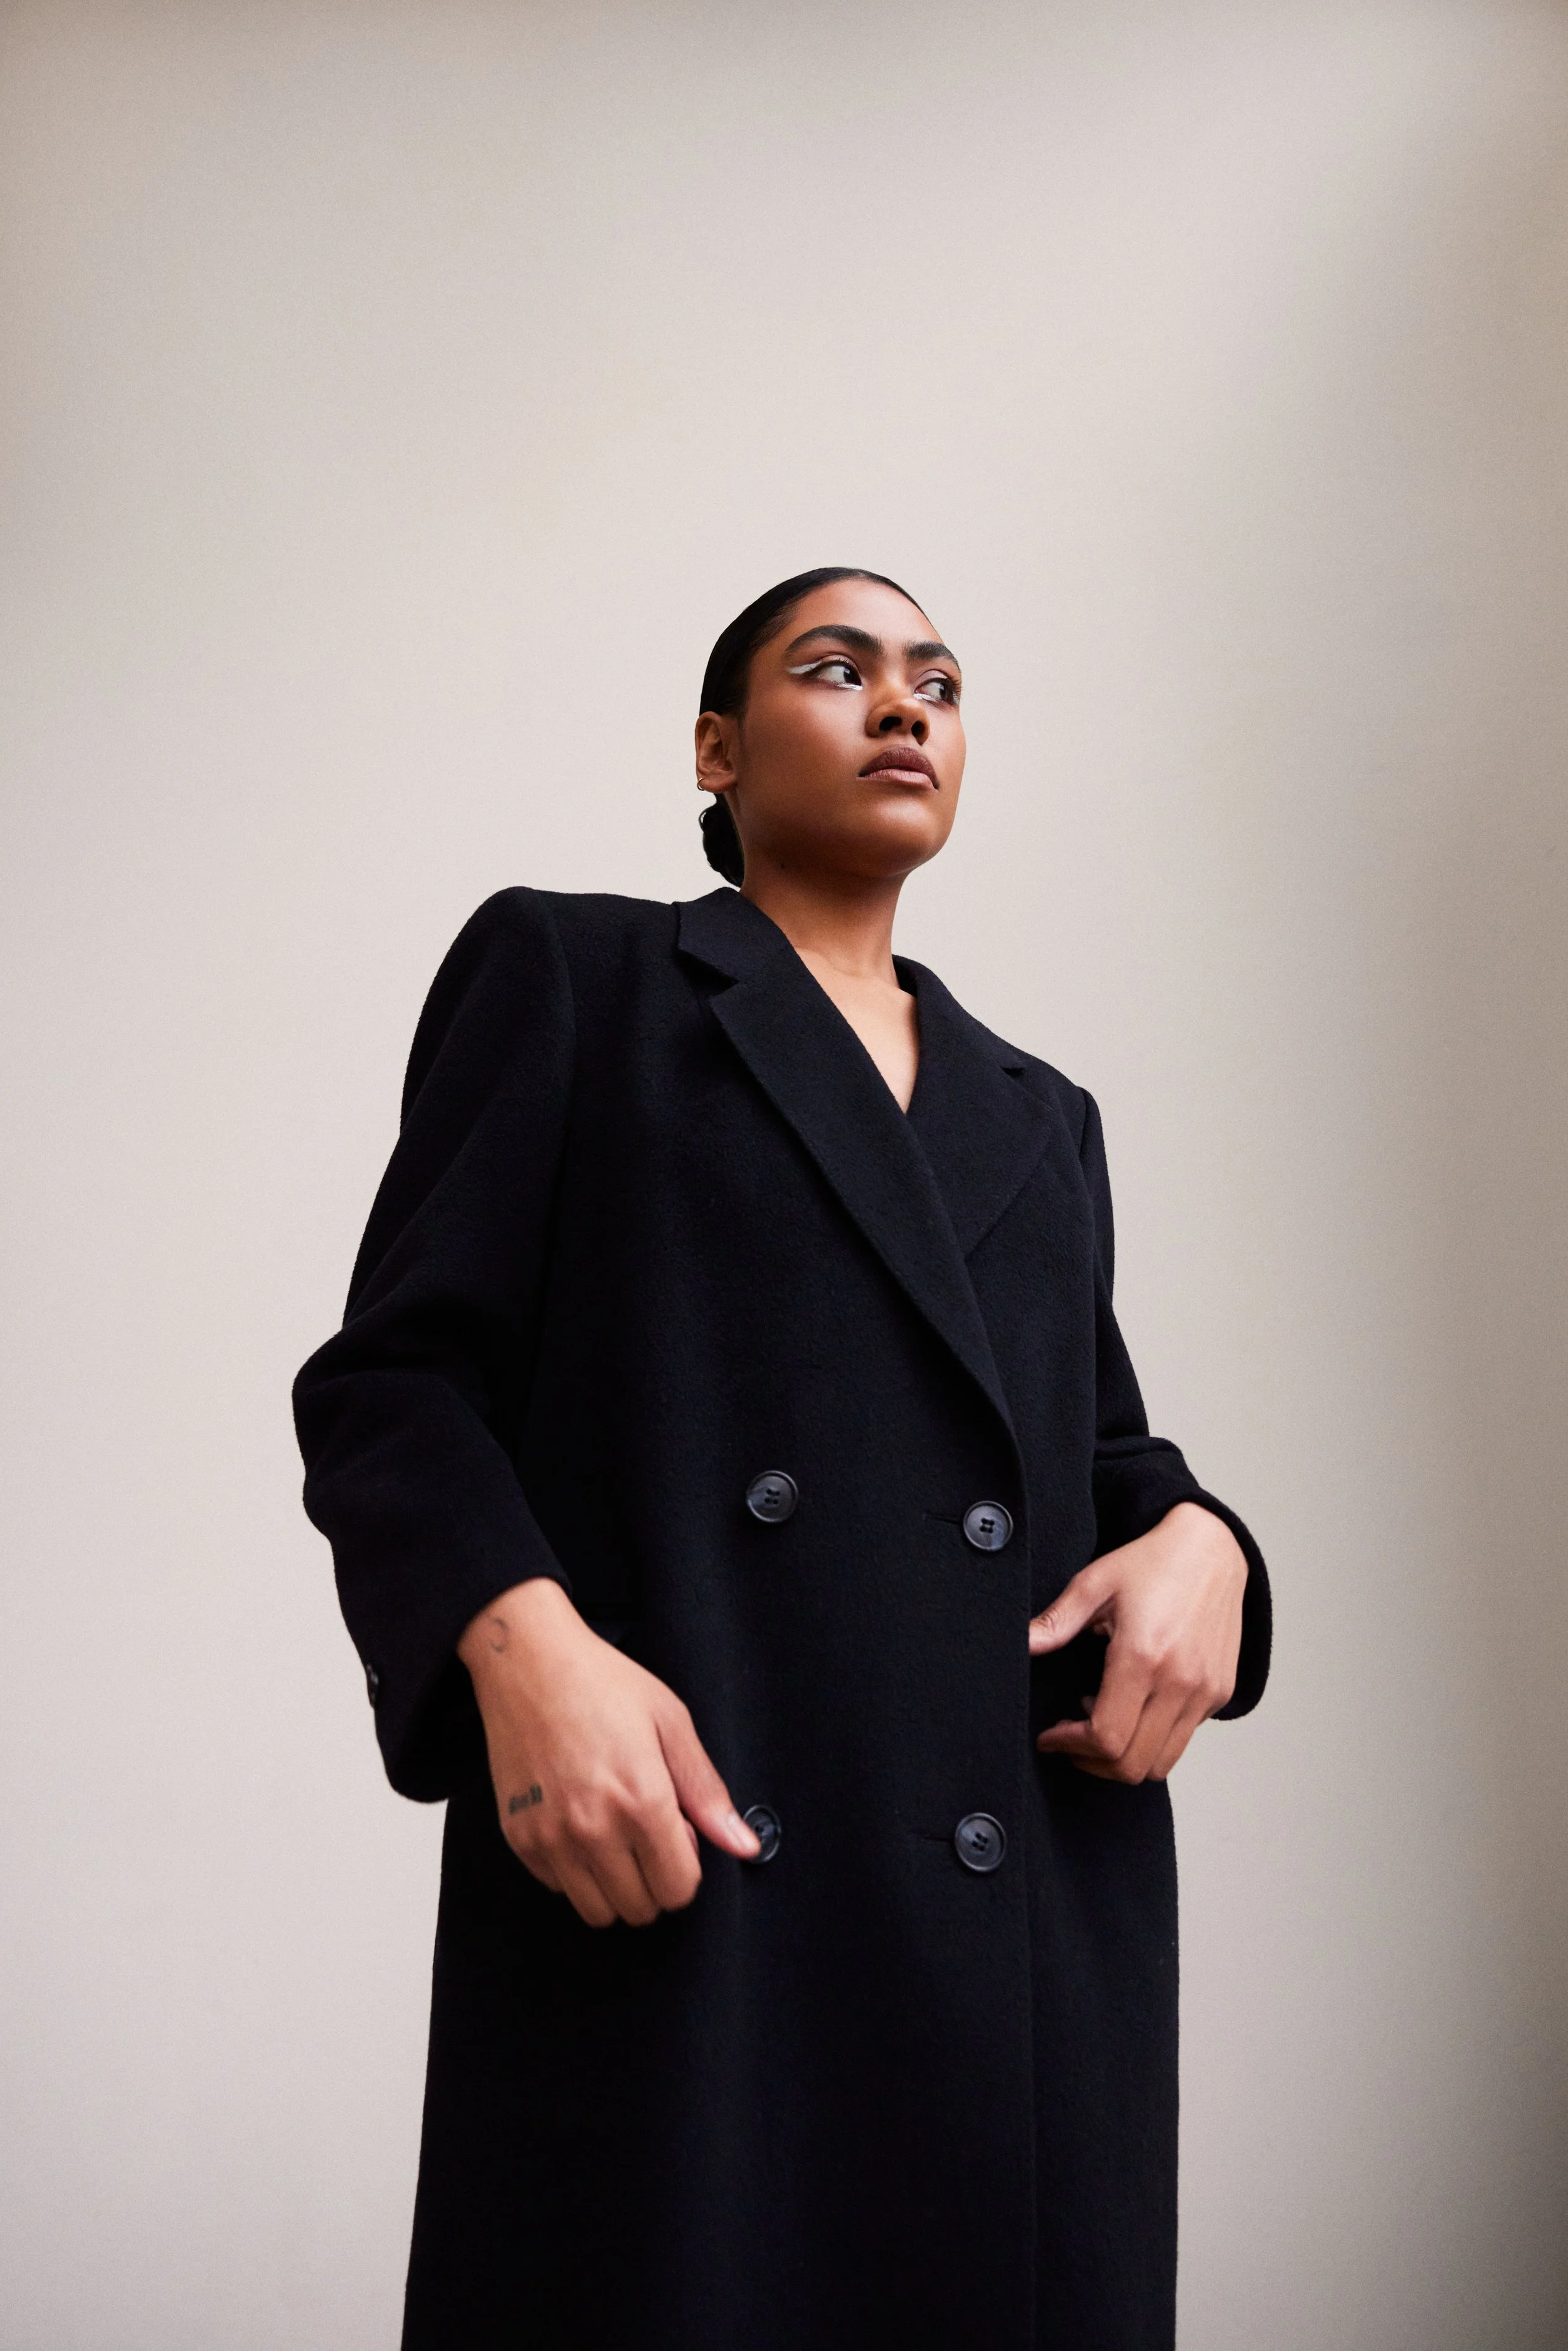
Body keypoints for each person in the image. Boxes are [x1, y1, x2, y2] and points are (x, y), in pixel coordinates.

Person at [293, 566, 1270, 2351]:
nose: (903, 705)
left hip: (1016, 1924)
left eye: (940, 682)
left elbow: (1089, 1451)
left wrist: (1208, 1541)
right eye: (839, 670)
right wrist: (526, 1651)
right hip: (699, 1871)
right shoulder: (580, 975)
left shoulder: (1036, 1113)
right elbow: (391, 1385)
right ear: (717, 750)